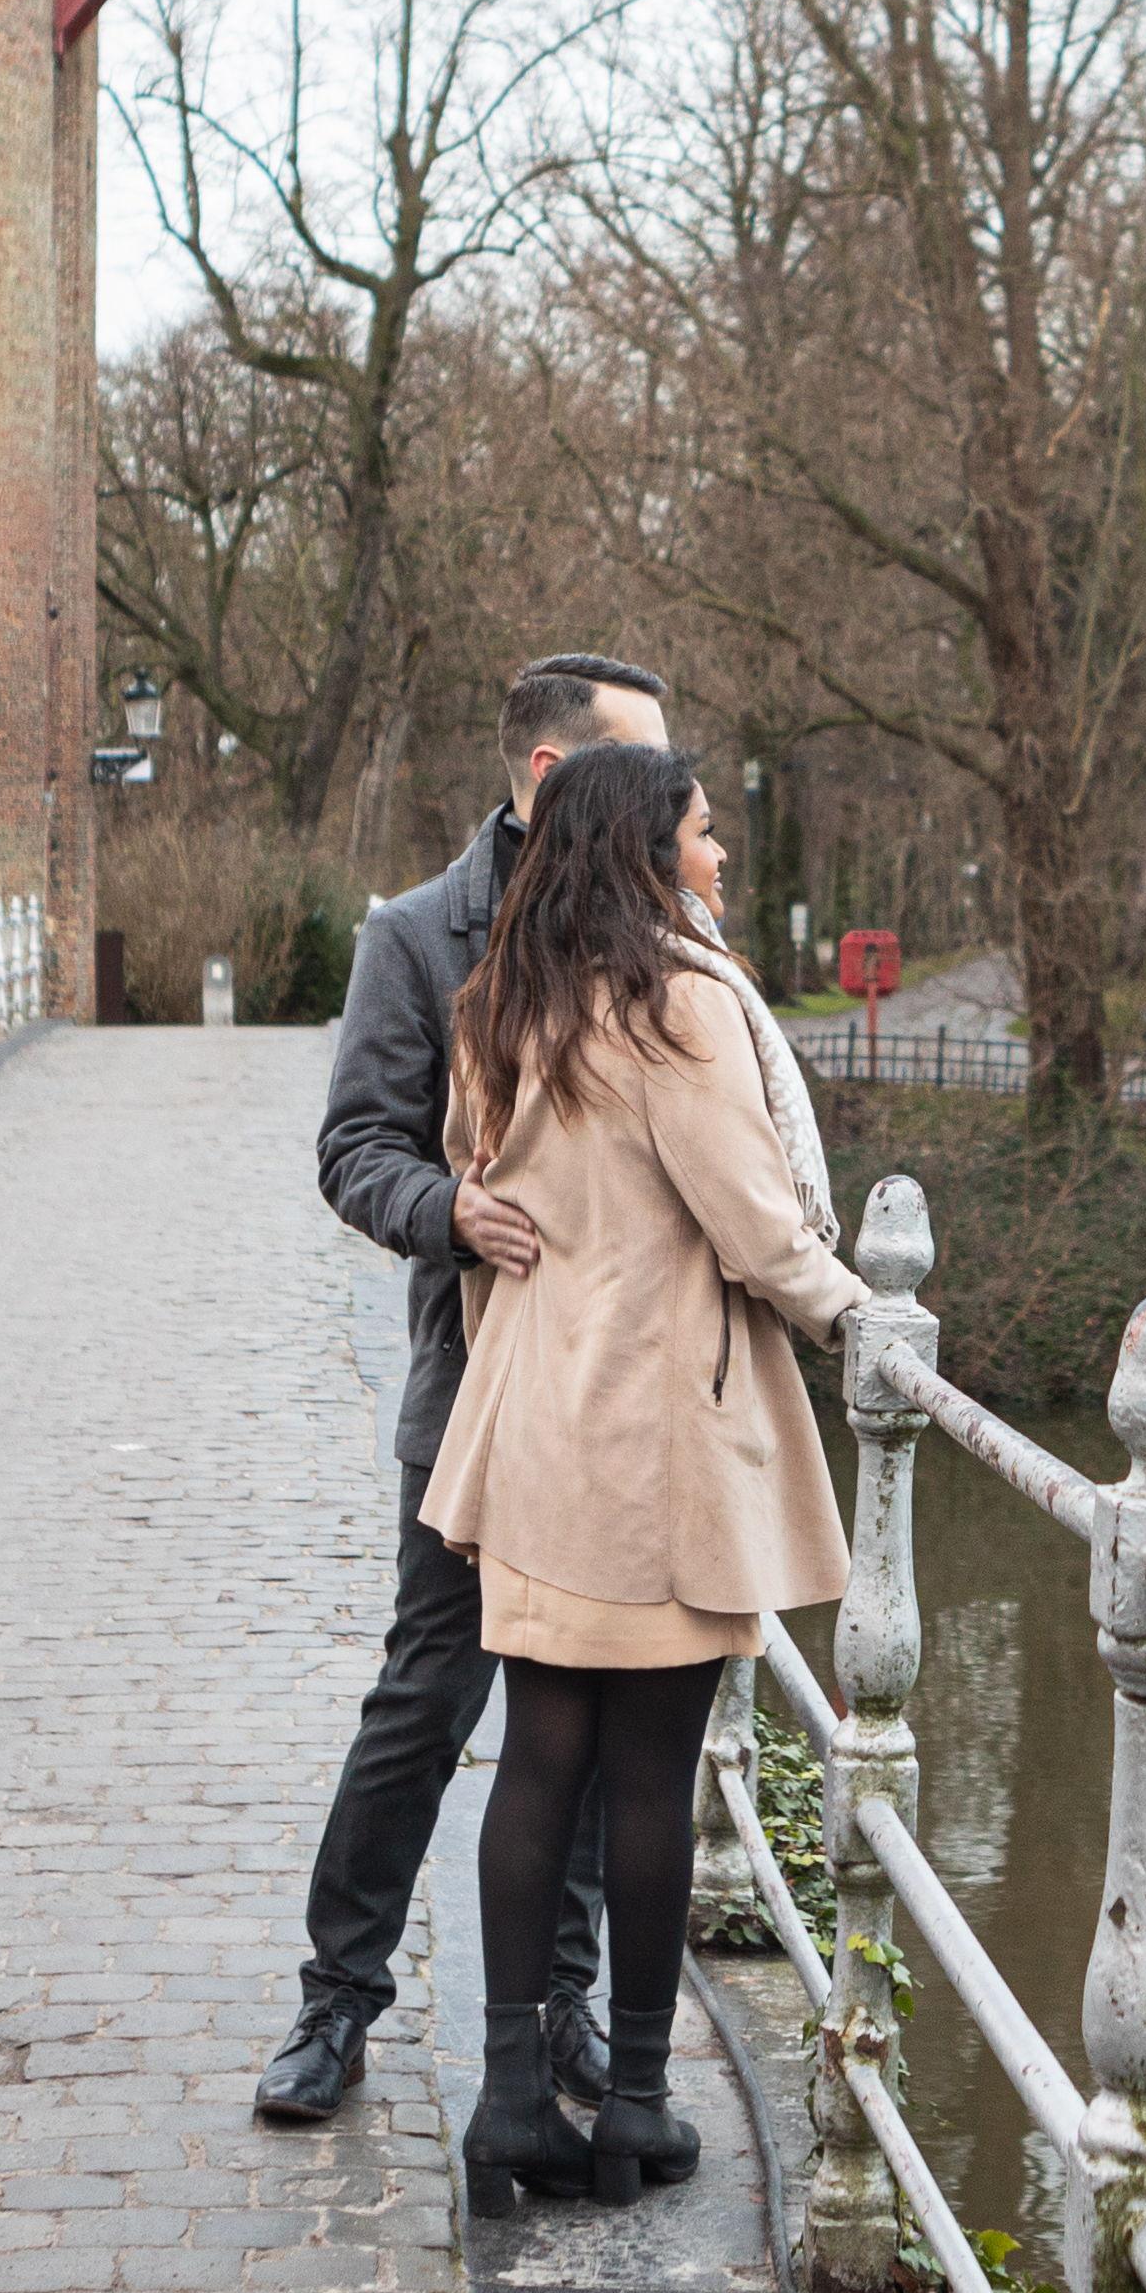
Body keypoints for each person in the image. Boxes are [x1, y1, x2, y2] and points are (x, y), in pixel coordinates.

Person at [418, 733, 862, 2207]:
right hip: (654, 1442)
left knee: (539, 1756)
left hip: (538, 1427)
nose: (719, 854)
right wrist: (864, 1319)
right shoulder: (677, 1006)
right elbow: (752, 1221)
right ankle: (638, 2109)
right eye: (702, 831)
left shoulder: (503, 1004)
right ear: (644, 850)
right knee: (652, 1778)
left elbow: (483, 1212)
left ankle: (504, 2106)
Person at [256, 656, 672, 2127]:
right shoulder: (416, 939)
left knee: (592, 1725)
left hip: (619, 1412)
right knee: (427, 1703)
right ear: (558, 779)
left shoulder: (656, 931)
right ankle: (336, 2003)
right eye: (649, 769)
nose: (677, 801)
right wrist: (449, 1213)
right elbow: (351, 1148)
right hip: (478, 1394)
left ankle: (562, 2013)